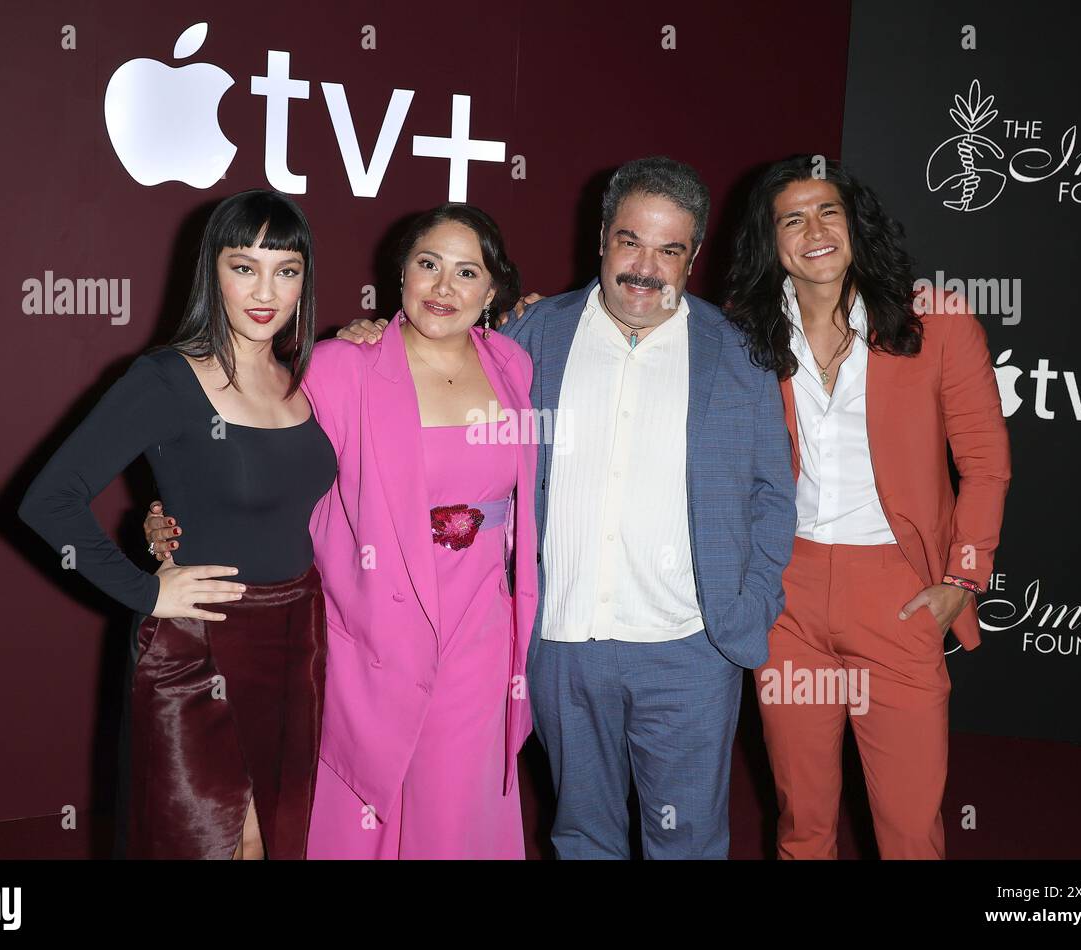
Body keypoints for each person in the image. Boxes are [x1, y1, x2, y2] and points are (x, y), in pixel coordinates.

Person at [337, 157, 798, 859]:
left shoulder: (738, 354)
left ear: (693, 255)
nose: (645, 267)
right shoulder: (530, 340)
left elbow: (773, 490)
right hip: (559, 643)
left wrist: (751, 602)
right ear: (602, 236)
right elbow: (430, 365)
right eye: (630, 242)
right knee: (582, 836)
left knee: (692, 842)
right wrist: (367, 335)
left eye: (669, 250)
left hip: (690, 649)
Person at [148, 203, 537, 858]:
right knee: (362, 806)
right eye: (428, 265)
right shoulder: (340, 366)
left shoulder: (511, 364)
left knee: (454, 812)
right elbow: (253, 459)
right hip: (370, 629)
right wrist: (168, 517)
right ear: (401, 274)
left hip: (479, 632)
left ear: (492, 290)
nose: (444, 289)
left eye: (467, 273)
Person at [19, 189, 336, 859]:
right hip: (198, 646)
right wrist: (145, 591)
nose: (265, 288)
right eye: (243, 265)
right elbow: (49, 499)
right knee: (216, 841)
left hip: (296, 644)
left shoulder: (304, 379)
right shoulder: (166, 377)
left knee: (275, 841)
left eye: (286, 268)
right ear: (211, 271)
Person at [724, 155, 1010, 859]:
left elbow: (985, 462)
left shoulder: (934, 319)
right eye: (792, 218)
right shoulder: (741, 336)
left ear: (857, 225)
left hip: (899, 595)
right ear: (772, 239)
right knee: (803, 823)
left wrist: (963, 579)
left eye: (830, 212)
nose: (814, 230)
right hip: (785, 596)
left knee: (910, 830)